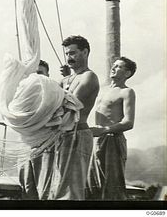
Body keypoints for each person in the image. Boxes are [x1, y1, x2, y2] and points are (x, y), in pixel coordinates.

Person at [49, 35, 99, 200]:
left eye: (73, 53)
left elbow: (70, 103)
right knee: (59, 188)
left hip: (78, 134)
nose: (69, 58)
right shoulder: (66, 79)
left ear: (85, 52)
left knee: (72, 190)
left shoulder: (89, 77)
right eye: (67, 54)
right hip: (63, 136)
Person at [89, 56, 136, 200]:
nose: (113, 68)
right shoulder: (103, 90)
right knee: (92, 184)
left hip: (113, 141)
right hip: (96, 141)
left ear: (127, 73)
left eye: (118, 66)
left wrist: (104, 130)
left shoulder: (127, 92)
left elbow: (129, 122)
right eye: (113, 65)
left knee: (112, 187)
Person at [19, 60, 55, 199]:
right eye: (33, 74)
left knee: (45, 189)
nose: (36, 77)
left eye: (40, 73)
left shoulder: (54, 94)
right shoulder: (22, 95)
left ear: (47, 75)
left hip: (46, 147)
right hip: (25, 148)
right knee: (27, 188)